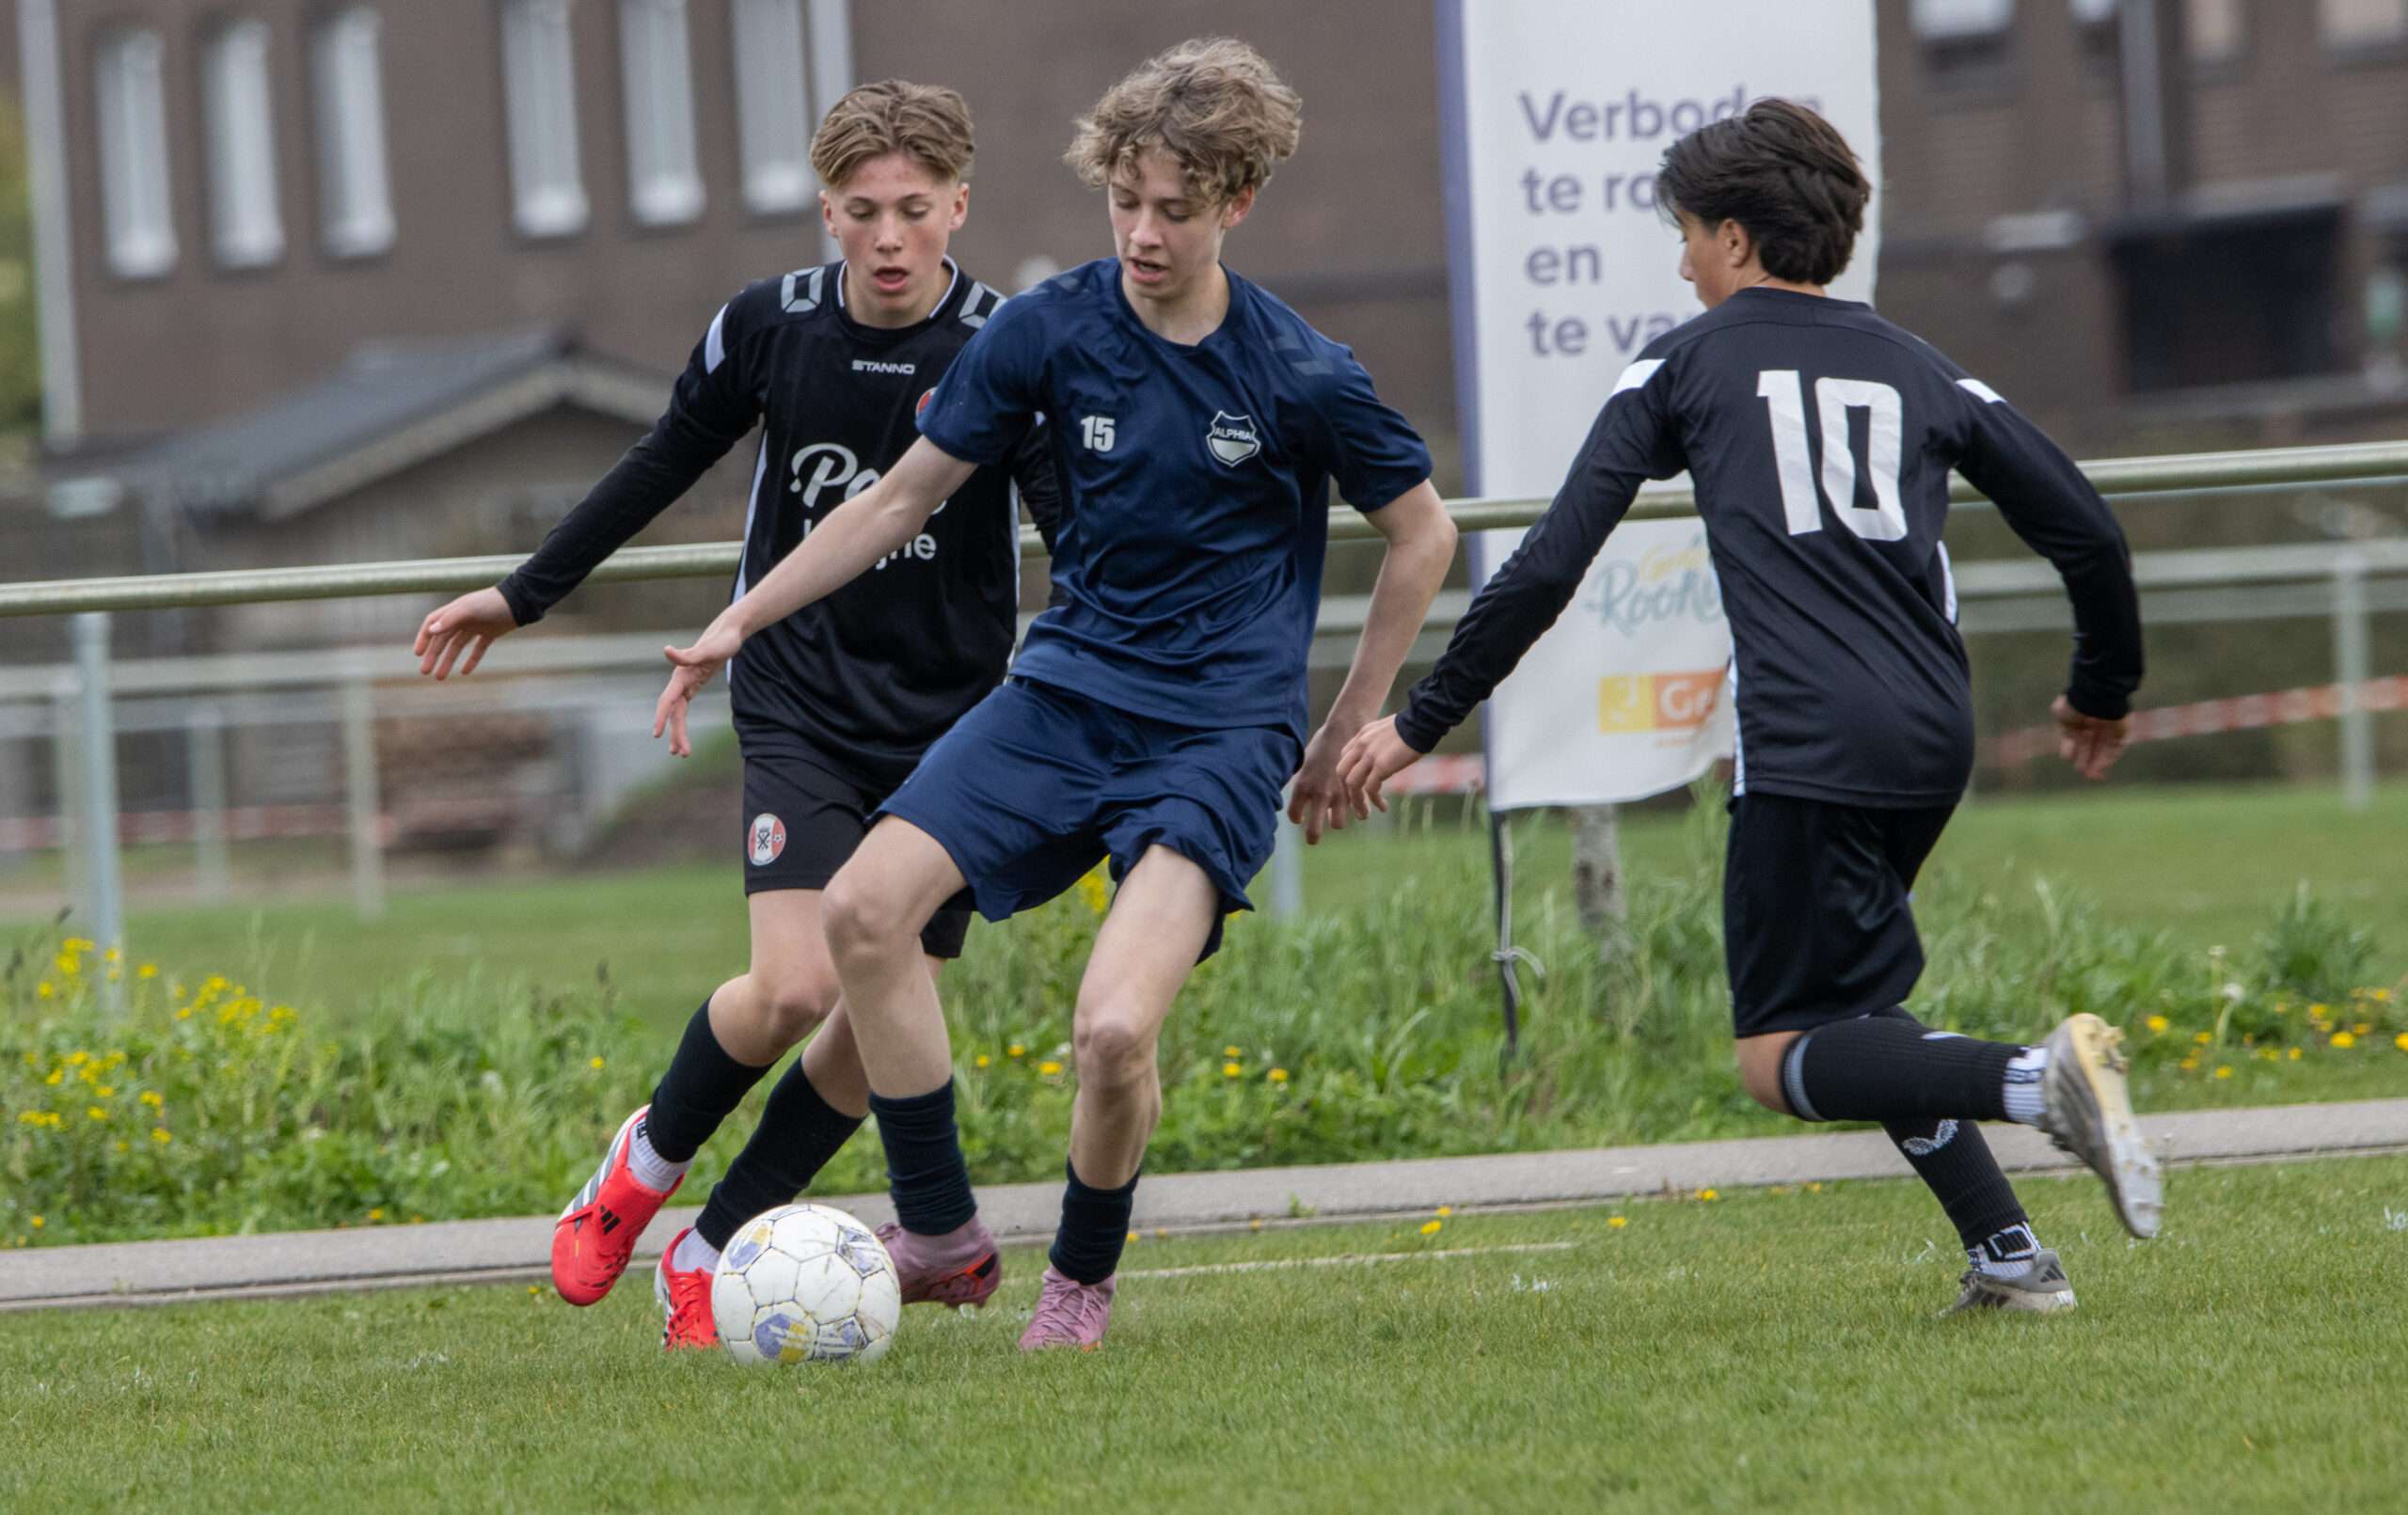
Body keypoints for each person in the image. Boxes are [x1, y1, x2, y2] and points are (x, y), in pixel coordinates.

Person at [654, 38, 1459, 1350]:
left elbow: (1423, 535)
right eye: (1124, 201)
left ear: (1238, 202)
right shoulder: (1045, 329)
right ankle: (943, 1235)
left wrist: (1343, 729)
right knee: (862, 911)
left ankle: (1078, 1284)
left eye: (1175, 210)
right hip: (1064, 696)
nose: (1142, 234)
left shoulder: (1301, 370)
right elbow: (901, 498)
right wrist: (741, 619)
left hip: (1216, 735)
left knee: (1113, 1033)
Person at [1338, 98, 2159, 1313]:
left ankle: (2041, 1083)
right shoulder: (1924, 366)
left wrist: (1420, 719)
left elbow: (1551, 563)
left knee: (1779, 1055)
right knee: (1856, 1009)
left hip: (1809, 742)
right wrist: (2101, 691)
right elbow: (2089, 532)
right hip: (1933, 733)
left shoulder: (1684, 361)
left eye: (1685, 237)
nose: (1681, 266)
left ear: (1732, 237)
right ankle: (2010, 1258)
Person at [410, 80, 1059, 1349]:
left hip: (951, 726)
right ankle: (641, 1168)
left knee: (877, 1029)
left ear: (959, 206)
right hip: (802, 698)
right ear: (826, 211)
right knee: (795, 985)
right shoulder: (769, 325)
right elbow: (661, 458)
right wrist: (525, 593)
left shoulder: (1010, 347)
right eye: (861, 211)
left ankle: (708, 1253)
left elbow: (1073, 528)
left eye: (913, 209)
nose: (887, 237)